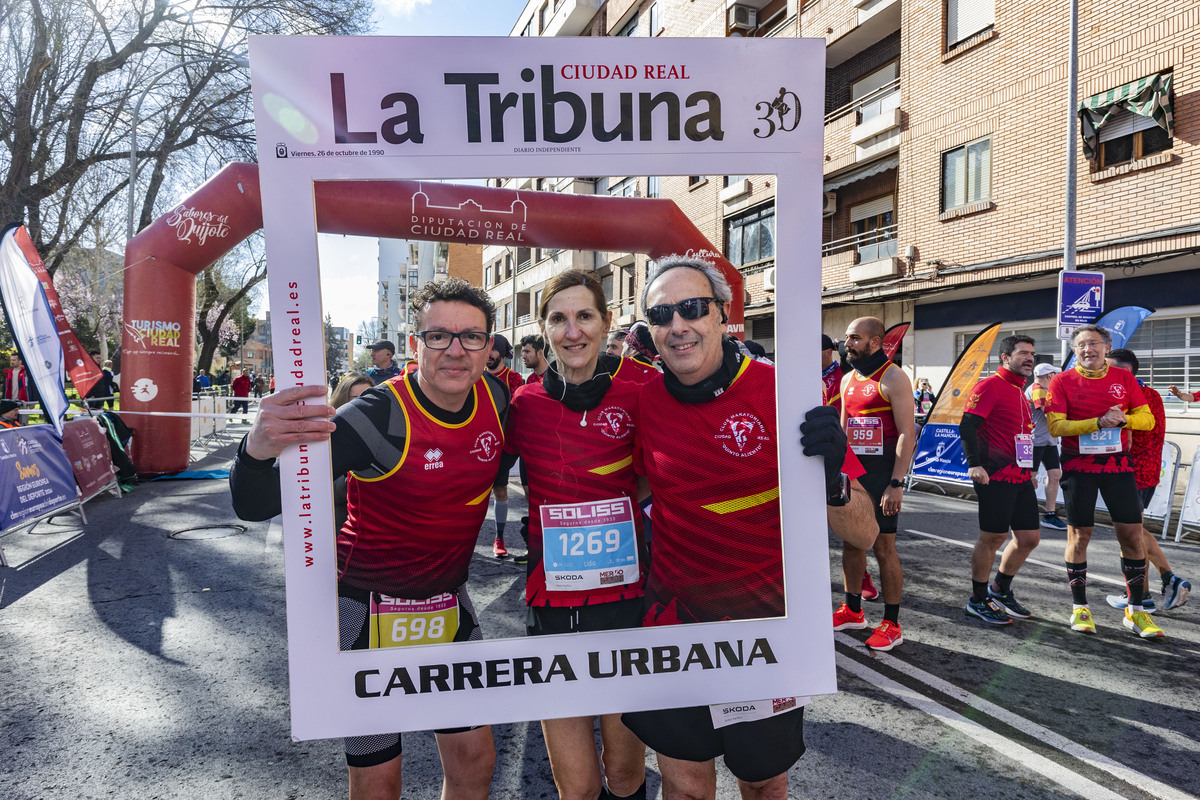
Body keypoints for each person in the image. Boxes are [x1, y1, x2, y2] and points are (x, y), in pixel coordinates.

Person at [229, 278, 506, 800]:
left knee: (476, 760)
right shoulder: (378, 414)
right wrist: (256, 446)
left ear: (489, 348)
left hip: (449, 604)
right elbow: (256, 504)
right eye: (439, 336)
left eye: (471, 337)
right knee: (379, 783)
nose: (455, 349)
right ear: (414, 345)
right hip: (367, 609)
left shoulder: (496, 398)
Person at [622, 255, 878, 800]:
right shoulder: (645, 400)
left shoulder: (785, 393)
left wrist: (832, 478)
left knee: (762, 784)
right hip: (675, 626)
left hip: (763, 632)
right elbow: (634, 488)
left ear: (723, 314)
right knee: (685, 785)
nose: (677, 326)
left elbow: (865, 535)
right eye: (661, 316)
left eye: (692, 308)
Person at [505, 269, 654, 800]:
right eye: (559, 318)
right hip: (552, 611)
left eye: (584, 316)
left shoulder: (641, 390)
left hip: (625, 607)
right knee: (579, 786)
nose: (573, 331)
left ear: (605, 321)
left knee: (626, 774)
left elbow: (655, 472)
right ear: (543, 328)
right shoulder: (523, 405)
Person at [1045, 324, 1162, 638]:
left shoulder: (1124, 378)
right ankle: (1080, 607)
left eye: (1093, 344)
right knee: (1080, 536)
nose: (1087, 350)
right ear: (1075, 350)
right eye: (1081, 345)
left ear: (1107, 347)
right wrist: (1097, 422)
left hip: (1118, 466)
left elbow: (1147, 419)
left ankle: (1136, 611)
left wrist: (1123, 419)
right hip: (1078, 468)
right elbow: (1056, 426)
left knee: (1132, 536)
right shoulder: (1061, 381)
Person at [835, 316, 916, 651]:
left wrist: (896, 482)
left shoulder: (894, 377)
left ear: (874, 341)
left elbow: (906, 434)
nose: (847, 344)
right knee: (852, 544)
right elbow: (842, 431)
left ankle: (892, 623)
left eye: (854, 338)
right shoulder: (848, 378)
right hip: (853, 476)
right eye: (846, 337)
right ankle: (853, 610)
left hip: (883, 476)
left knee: (883, 548)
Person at [959, 336, 1041, 625]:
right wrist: (974, 465)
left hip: (1019, 476)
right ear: (1005, 358)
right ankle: (978, 599)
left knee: (1029, 538)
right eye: (1023, 353)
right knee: (993, 537)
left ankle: (1000, 589)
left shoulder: (1021, 389)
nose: (1030, 358)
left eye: (1032, 353)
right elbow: (967, 425)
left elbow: (1023, 435)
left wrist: (1030, 470)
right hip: (994, 474)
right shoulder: (990, 385)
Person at [1103, 349, 1190, 613]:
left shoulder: (1130, 396)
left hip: (1129, 472)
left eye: (1108, 368)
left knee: (1128, 535)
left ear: (1125, 372)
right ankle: (1151, 589)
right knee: (1134, 531)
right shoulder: (1149, 393)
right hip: (1146, 472)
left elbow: (1125, 436)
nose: (1102, 373)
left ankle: (1150, 591)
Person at [821, 334, 877, 601]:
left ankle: (862, 577)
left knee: (857, 525)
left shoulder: (843, 376)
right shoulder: (841, 379)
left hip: (858, 460)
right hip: (827, 452)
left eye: (854, 338)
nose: (847, 344)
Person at [485, 333, 525, 558]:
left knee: (500, 490)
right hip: (478, 445)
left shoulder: (514, 377)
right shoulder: (476, 377)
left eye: (493, 349)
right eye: (486, 349)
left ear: (501, 352)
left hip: (505, 446)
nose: (489, 354)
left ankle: (499, 538)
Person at [1027, 364, 1067, 530]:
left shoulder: (1044, 389)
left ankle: (1050, 514)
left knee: (1055, 475)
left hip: (1048, 441)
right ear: (1050, 376)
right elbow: (1047, 411)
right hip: (1034, 442)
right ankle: (1022, 511)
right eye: (1055, 375)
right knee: (1030, 478)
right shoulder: (1036, 389)